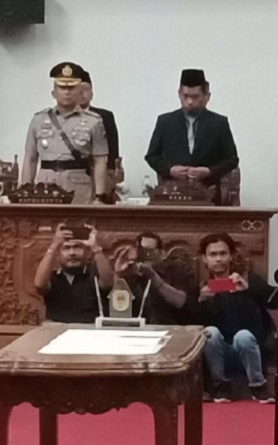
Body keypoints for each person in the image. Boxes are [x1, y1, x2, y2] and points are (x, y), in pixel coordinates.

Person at [197, 233, 276, 403]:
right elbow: (189, 325)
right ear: (204, 259)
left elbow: (276, 301)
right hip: (217, 353)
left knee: (243, 336)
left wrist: (248, 290)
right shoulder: (200, 289)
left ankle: (258, 385)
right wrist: (200, 302)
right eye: (213, 254)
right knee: (210, 332)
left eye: (223, 253)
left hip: (248, 349)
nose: (219, 259)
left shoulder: (248, 281)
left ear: (231, 256)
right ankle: (220, 385)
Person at [145, 69, 239, 205]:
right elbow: (152, 156)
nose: (189, 102)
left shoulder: (219, 123)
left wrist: (208, 171)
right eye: (185, 96)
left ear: (207, 96)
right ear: (179, 94)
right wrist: (171, 169)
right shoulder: (165, 122)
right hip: (173, 193)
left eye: (195, 97)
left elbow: (232, 160)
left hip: (209, 195)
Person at [21, 62, 109, 204]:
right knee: (44, 225)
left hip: (78, 186)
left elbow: (100, 161)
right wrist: (25, 190)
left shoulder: (94, 121)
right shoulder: (38, 119)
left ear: (80, 92)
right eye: (62, 87)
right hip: (45, 185)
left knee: (78, 225)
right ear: (54, 92)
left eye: (71, 87)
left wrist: (99, 196)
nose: (67, 92)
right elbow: (30, 158)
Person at [34, 223, 114, 323]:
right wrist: (53, 246)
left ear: (87, 253)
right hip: (57, 332)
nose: (72, 253)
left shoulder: (94, 275)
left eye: (77, 247)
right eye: (66, 248)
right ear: (58, 256)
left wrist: (95, 248)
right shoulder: (52, 277)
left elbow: (109, 283)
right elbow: (39, 284)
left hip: (89, 332)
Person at [113, 232, 195, 325]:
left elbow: (180, 301)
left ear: (162, 253)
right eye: (141, 251)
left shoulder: (174, 270)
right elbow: (118, 308)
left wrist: (154, 277)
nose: (146, 256)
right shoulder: (130, 273)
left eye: (149, 251)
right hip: (138, 329)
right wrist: (118, 274)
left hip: (171, 328)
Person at [79, 69, 123, 204]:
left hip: (99, 175)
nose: (81, 93)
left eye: (85, 89)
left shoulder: (105, 116)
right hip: (75, 176)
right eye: (78, 89)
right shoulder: (59, 119)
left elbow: (113, 150)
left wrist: (110, 178)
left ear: (92, 94)